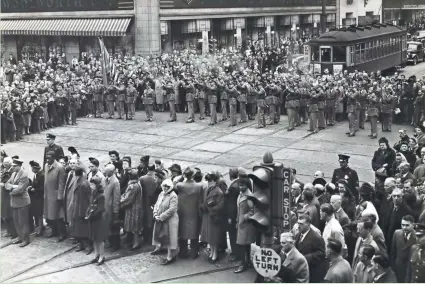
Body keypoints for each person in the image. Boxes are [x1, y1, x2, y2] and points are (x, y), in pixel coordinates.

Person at [175, 167, 203, 259]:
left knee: (182, 232)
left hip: (182, 212)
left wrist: (182, 177)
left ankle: (183, 252)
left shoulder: (180, 185)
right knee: (194, 232)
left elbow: (174, 183)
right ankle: (194, 252)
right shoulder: (199, 186)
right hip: (194, 212)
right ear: (193, 175)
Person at [4, 159, 31, 247]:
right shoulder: (13, 174)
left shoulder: (24, 174)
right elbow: (6, 184)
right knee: (16, 221)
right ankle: (20, 237)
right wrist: (13, 186)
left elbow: (20, 189)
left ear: (19, 166)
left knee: (23, 221)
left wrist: (11, 191)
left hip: (22, 201)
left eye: (14, 166)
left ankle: (25, 239)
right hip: (15, 201)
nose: (12, 167)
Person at [152, 179, 179, 265]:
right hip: (160, 219)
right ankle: (162, 250)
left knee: (170, 238)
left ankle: (170, 256)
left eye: (167, 186)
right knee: (161, 236)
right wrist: (155, 214)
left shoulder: (173, 196)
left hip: (170, 220)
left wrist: (161, 217)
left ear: (170, 187)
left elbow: (172, 209)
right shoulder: (161, 194)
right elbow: (157, 205)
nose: (165, 188)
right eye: (164, 186)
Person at [200, 171, 224, 263]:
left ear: (215, 182)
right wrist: (203, 207)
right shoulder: (207, 190)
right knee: (209, 237)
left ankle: (215, 254)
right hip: (208, 216)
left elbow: (220, 206)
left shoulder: (219, 192)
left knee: (214, 237)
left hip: (214, 217)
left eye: (211, 181)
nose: (209, 183)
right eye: (208, 181)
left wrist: (210, 209)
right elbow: (204, 201)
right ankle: (212, 253)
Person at [295, 214, 327, 283]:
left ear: (308, 224)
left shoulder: (316, 238)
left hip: (311, 271)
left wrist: (306, 257)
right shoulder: (298, 234)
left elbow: (322, 253)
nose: (298, 225)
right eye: (298, 223)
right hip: (300, 270)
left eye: (301, 224)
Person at [234, 175, 256, 273]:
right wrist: (237, 220)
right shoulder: (241, 194)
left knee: (243, 245)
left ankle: (243, 264)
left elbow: (253, 210)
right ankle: (247, 262)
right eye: (239, 185)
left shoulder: (249, 196)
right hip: (241, 223)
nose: (241, 187)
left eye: (242, 185)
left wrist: (244, 217)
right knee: (245, 245)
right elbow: (239, 209)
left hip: (246, 225)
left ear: (247, 185)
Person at [44, 151, 66, 242]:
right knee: (50, 215)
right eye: (46, 158)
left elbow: (61, 183)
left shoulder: (60, 168)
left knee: (58, 215)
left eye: (49, 158)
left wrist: (60, 196)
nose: (47, 160)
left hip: (55, 195)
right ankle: (54, 231)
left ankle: (62, 233)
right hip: (48, 194)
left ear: (54, 158)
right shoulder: (46, 166)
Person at [69, 166, 91, 253]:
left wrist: (82, 213)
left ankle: (88, 246)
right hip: (77, 208)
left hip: (81, 210)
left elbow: (84, 200)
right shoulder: (81, 181)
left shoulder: (83, 184)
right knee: (78, 230)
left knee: (83, 230)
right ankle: (81, 245)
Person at [86, 176, 108, 266]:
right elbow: (90, 205)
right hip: (93, 219)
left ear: (97, 185)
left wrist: (91, 215)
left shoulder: (101, 195)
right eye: (90, 184)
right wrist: (87, 213)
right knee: (94, 238)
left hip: (99, 219)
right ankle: (96, 255)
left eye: (93, 184)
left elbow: (101, 209)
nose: (91, 186)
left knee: (100, 239)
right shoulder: (93, 193)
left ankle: (102, 256)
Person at [120, 169, 143, 251]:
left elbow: (128, 199)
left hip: (132, 209)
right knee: (135, 227)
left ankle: (136, 243)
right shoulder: (138, 184)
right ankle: (134, 242)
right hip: (137, 207)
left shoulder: (132, 186)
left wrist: (120, 201)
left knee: (134, 227)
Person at [391, 215, 417, 282]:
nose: (404, 227)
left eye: (407, 225)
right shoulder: (396, 233)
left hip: (410, 269)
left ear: (413, 225)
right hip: (399, 267)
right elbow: (393, 252)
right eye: (402, 225)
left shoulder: (417, 237)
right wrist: (393, 266)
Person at [103, 164, 121, 252]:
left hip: (111, 209)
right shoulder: (106, 179)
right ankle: (110, 242)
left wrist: (115, 211)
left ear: (111, 172)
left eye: (107, 171)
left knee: (114, 227)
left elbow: (117, 197)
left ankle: (116, 244)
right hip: (105, 208)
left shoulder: (115, 182)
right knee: (107, 226)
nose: (105, 172)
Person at [139, 163, 157, 246]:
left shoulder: (142, 178)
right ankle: (152, 238)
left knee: (145, 218)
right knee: (153, 219)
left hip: (144, 201)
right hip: (154, 201)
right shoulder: (156, 178)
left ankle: (145, 237)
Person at [225, 168, 240, 261]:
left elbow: (231, 204)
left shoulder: (233, 187)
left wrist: (230, 217)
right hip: (237, 213)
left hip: (233, 215)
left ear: (230, 175)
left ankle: (235, 253)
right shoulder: (238, 183)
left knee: (232, 234)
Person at [1, 157, 17, 239]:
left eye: (5, 163)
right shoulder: (5, 170)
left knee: (10, 214)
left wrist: (4, 184)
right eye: (4, 163)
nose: (4, 165)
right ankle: (9, 231)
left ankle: (13, 232)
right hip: (4, 194)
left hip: (9, 194)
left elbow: (9, 183)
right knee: (5, 213)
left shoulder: (12, 171)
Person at [28, 161, 45, 236]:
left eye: (32, 168)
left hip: (39, 197)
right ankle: (39, 227)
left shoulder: (41, 175)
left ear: (35, 168)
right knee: (36, 213)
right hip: (35, 197)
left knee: (39, 214)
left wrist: (35, 190)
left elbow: (43, 187)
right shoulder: (36, 175)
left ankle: (40, 229)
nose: (31, 169)